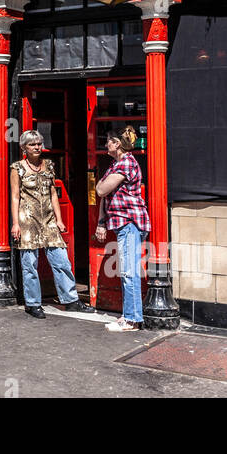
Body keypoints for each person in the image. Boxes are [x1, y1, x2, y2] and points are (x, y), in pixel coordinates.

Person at [11, 130, 90, 319]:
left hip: (48, 220)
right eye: (32, 144)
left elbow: (54, 194)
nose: (37, 147)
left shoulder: (49, 166)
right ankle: (33, 303)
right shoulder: (17, 168)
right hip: (27, 219)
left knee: (62, 261)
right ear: (24, 148)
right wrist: (16, 223)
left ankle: (71, 300)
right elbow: (15, 197)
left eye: (39, 143)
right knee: (30, 264)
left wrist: (59, 219)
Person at [95, 126, 149, 332]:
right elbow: (103, 193)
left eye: (108, 140)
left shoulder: (126, 164)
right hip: (121, 222)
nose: (105, 143)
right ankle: (128, 316)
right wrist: (101, 222)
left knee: (129, 271)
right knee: (127, 270)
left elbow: (100, 189)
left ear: (117, 144)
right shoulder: (115, 164)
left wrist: (103, 185)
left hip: (129, 222)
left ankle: (132, 319)